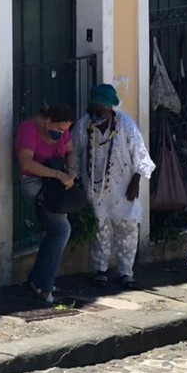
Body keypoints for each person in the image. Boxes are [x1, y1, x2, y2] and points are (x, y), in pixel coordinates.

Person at [72, 84, 155, 288]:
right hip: (93, 188)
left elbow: (141, 154)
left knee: (127, 229)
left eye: (98, 111)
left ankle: (125, 272)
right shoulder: (83, 126)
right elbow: (74, 154)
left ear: (110, 110)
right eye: (90, 110)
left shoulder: (126, 125)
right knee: (99, 229)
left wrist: (136, 181)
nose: (94, 115)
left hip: (124, 188)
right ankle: (99, 270)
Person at [16, 103, 77, 304]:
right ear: (48, 121)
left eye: (66, 130)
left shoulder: (62, 133)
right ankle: (43, 284)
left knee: (55, 231)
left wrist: (71, 170)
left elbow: (70, 151)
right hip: (36, 182)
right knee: (61, 229)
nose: (62, 133)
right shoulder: (29, 129)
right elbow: (26, 163)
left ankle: (37, 280)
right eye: (60, 129)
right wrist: (58, 174)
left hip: (55, 183)